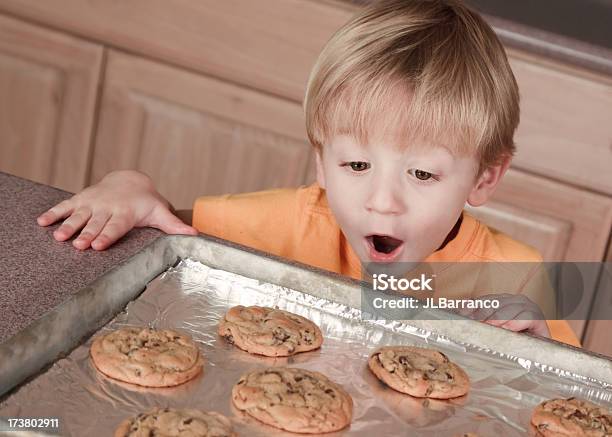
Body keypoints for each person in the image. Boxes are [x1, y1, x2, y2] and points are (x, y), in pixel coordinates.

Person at [36, 0, 579, 346]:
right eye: (357, 165)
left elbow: (574, 398)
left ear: (485, 178)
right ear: (321, 160)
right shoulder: (284, 223)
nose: (382, 201)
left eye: (422, 174)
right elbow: (171, 233)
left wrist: (531, 346)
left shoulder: (518, 275)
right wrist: (129, 185)